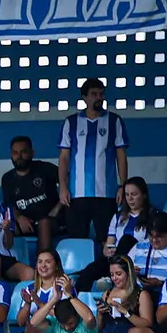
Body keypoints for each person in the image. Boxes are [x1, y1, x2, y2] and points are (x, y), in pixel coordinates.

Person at [57, 77, 130, 244]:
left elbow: (121, 155)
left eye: (101, 94)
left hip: (107, 193)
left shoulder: (114, 121)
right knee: (77, 239)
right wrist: (63, 187)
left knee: (107, 239)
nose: (99, 97)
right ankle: (79, 270)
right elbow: (64, 157)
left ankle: (107, 270)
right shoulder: (71, 122)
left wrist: (122, 186)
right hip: (77, 193)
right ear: (84, 97)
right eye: (94, 94)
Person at [2, 134, 62, 252]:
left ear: (32, 153)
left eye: (23, 152)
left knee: (44, 223)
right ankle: (12, 265)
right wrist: (19, 218)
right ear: (11, 155)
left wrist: (58, 208)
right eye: (15, 153)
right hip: (26, 222)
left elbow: (70, 183)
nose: (19, 156)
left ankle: (42, 266)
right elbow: (9, 205)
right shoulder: (7, 178)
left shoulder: (46, 169)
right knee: (5, 227)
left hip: (52, 219)